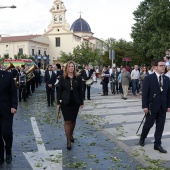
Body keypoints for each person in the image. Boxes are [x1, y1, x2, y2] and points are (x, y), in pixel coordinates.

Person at [139, 60, 170, 153]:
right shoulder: (149, 78)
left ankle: (157, 144)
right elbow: (144, 94)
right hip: (152, 107)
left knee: (160, 127)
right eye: (161, 65)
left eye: (164, 66)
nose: (163, 67)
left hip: (162, 107)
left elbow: (168, 94)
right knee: (148, 125)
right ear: (155, 67)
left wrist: (168, 105)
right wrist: (145, 106)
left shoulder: (167, 79)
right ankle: (142, 138)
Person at [57, 61, 83, 150]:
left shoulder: (78, 77)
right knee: (67, 121)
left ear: (74, 68)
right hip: (65, 102)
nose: (71, 68)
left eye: (73, 66)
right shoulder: (62, 78)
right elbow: (59, 90)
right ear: (67, 68)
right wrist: (58, 102)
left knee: (73, 120)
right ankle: (68, 140)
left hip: (75, 102)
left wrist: (81, 102)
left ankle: (71, 134)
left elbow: (81, 90)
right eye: (70, 66)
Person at [0, 69, 18, 164]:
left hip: (6, 110)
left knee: (6, 133)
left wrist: (14, 106)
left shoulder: (8, 75)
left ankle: (8, 151)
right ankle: (0, 154)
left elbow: (13, 92)